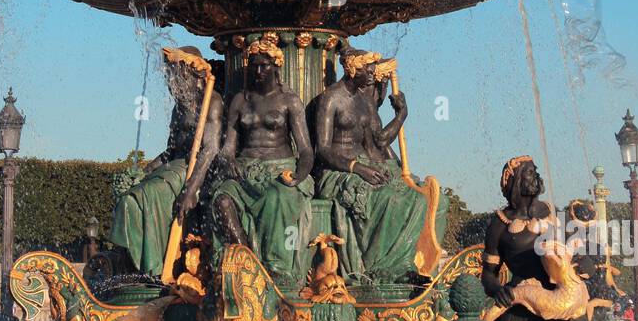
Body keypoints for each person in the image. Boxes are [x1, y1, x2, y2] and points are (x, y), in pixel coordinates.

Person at [314, 48, 425, 283]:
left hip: (365, 166)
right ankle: (378, 267)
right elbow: (323, 150)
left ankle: (401, 263)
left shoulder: (364, 102)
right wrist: (357, 168)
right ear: (352, 69)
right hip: (338, 171)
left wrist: (401, 115)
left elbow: (379, 141)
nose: (373, 75)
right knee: (388, 199)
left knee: (415, 198)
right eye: (368, 69)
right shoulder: (331, 98)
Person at [110, 47, 223, 276]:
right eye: (169, 77)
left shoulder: (211, 101)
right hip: (174, 166)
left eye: (176, 76)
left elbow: (210, 149)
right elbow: (170, 151)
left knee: (142, 196)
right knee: (129, 197)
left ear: (194, 75)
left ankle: (154, 267)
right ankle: (134, 264)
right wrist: (143, 171)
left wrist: (191, 188)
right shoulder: (179, 108)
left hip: (196, 169)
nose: (171, 83)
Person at [212, 35, 314, 289]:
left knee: (276, 199)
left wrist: (299, 176)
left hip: (279, 169)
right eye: (254, 65)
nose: (258, 71)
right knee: (221, 200)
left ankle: (275, 266)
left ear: (276, 67)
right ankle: (246, 261)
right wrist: (228, 161)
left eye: (264, 66)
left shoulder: (289, 101)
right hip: (245, 171)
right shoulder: (239, 101)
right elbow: (228, 148)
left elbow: (306, 150)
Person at [481, 155, 587, 321]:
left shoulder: (554, 212)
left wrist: (585, 265)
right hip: (522, 311)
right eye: (530, 172)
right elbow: (487, 275)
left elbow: (577, 252)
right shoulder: (500, 224)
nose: (536, 176)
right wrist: (498, 290)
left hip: (565, 313)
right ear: (514, 181)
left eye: (536, 171)